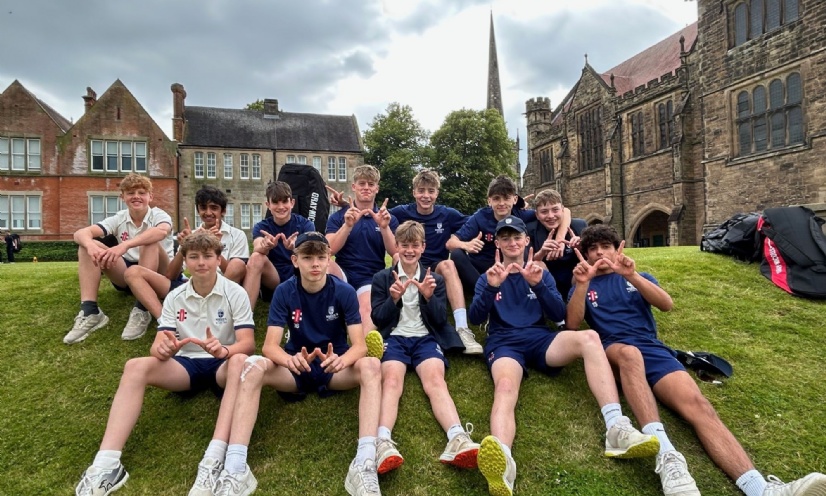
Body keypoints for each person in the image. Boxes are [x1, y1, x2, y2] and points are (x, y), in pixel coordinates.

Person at [566, 224, 826, 496]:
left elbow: (666, 305)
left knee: (699, 405)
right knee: (630, 354)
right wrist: (582, 284)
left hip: (652, 348)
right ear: (585, 254)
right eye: (592, 249)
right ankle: (667, 456)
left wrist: (631, 276)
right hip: (614, 348)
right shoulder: (584, 283)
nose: (599, 253)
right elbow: (572, 325)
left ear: (617, 249)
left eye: (605, 247)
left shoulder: (636, 276)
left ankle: (761, 489)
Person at [469, 216, 657, 496]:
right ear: (497, 243)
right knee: (505, 386)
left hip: (540, 339)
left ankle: (616, 427)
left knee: (589, 338)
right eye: (505, 238)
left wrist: (538, 284)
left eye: (516, 237)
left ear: (526, 241)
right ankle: (503, 461)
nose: (512, 243)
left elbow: (560, 316)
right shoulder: (488, 276)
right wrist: (492, 286)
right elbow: (475, 318)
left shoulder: (540, 272)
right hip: (504, 343)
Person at [188, 231, 382, 496]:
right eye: (307, 257)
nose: (315, 264)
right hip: (295, 367)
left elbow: (359, 345)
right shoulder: (284, 291)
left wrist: (341, 360)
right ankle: (235, 467)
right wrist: (290, 360)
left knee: (371, 366)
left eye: (320, 257)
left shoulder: (344, 291)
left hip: (333, 366)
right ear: (295, 260)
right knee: (253, 365)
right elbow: (269, 346)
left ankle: (364, 463)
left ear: (329, 260)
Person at [74, 231, 256, 496]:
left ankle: (214, 458)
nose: (201, 262)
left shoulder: (235, 292)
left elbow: (248, 344)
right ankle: (107, 464)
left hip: (222, 365)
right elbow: (158, 344)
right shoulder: (174, 296)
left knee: (240, 359)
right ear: (185, 261)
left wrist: (224, 349)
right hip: (185, 365)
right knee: (135, 366)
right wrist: (164, 348)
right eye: (193, 257)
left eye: (207, 256)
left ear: (219, 259)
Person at [371, 220, 480, 476]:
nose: (409, 250)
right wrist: (393, 299)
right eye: (404, 245)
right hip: (394, 338)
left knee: (436, 381)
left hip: (425, 338)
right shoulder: (382, 278)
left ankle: (457, 437)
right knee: (391, 382)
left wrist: (430, 297)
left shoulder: (435, 279)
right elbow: (379, 318)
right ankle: (382, 441)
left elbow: (440, 320)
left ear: (423, 247)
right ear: (396, 247)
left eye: (415, 245)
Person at [120, 185, 250, 341]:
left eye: (214, 208)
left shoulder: (237, 235)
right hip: (190, 286)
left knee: (238, 265)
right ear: (198, 210)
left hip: (221, 289)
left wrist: (214, 246)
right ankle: (166, 324)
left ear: (223, 211)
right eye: (203, 208)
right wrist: (183, 248)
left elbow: (236, 271)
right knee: (132, 272)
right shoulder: (192, 234)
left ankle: (220, 309)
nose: (208, 212)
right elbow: (170, 275)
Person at [64, 173, 175, 344]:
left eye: (141, 193)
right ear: (122, 197)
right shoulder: (119, 218)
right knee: (85, 245)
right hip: (127, 274)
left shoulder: (160, 215)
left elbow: (161, 232)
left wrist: (125, 245)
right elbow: (80, 233)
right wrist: (91, 245)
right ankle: (90, 311)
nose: (136, 196)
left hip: (160, 274)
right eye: (130, 193)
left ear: (150, 197)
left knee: (150, 239)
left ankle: (142, 308)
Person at [389, 169, 483, 354]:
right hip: (410, 265)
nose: (426, 196)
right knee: (396, 256)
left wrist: (516, 210)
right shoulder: (401, 212)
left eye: (431, 191)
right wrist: (345, 206)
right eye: (421, 190)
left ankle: (462, 328)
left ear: (437, 193)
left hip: (435, 270)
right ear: (414, 192)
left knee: (449, 264)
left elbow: (477, 220)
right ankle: (398, 319)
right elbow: (376, 213)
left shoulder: (447, 214)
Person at [447, 175, 571, 295]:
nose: (501, 203)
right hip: (481, 266)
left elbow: (565, 211)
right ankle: (483, 291)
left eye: (506, 198)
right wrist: (466, 245)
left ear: (514, 199)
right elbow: (450, 243)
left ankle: (520, 290)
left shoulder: (520, 214)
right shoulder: (480, 217)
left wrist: (559, 240)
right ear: (489, 201)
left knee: (523, 246)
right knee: (457, 254)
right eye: (496, 199)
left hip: (508, 265)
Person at [326, 164, 398, 334]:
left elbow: (395, 252)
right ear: (354, 187)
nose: (366, 188)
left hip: (370, 277)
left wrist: (384, 228)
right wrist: (347, 225)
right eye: (362, 183)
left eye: (371, 184)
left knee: (366, 309)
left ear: (377, 189)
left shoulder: (388, 218)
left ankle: (362, 345)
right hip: (343, 274)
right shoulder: (338, 217)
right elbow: (328, 250)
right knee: (323, 261)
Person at [244, 180, 315, 310]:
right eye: (276, 202)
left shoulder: (306, 225)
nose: (281, 207)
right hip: (273, 277)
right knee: (256, 257)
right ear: (268, 205)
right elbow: (257, 246)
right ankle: (245, 315)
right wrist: (265, 246)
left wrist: (296, 247)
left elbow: (312, 254)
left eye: (284, 201)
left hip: (298, 274)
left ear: (292, 203)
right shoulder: (262, 227)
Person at [527, 189, 587, 301]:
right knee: (537, 264)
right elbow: (527, 262)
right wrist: (542, 252)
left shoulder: (579, 226)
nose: (551, 216)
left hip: (574, 277)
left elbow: (592, 257)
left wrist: (581, 248)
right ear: (537, 215)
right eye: (544, 212)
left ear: (563, 210)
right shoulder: (530, 230)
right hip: (547, 281)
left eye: (555, 210)